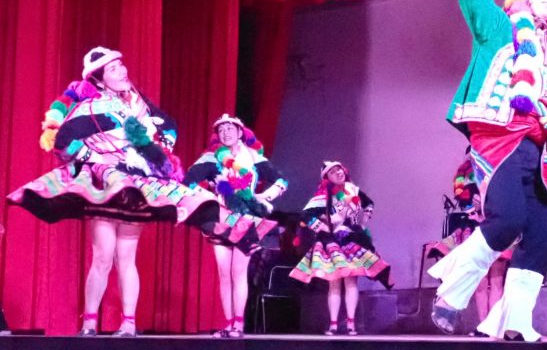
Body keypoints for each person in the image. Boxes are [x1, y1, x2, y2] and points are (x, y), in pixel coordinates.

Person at [427, 0, 547, 341]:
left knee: (545, 234)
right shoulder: (499, 27)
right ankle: (451, 295)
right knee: (507, 219)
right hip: (498, 137)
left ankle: (513, 324)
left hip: (540, 145)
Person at [7, 47, 227, 337]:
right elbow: (62, 141)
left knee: (126, 256)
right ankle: (89, 323)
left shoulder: (139, 105)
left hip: (135, 183)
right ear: (99, 80)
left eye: (121, 65)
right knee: (103, 256)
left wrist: (158, 149)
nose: (122, 71)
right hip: (107, 184)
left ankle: (128, 323)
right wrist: (98, 157)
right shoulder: (93, 107)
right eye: (112, 69)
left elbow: (169, 128)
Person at [185, 114, 288, 338]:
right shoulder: (212, 158)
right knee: (224, 273)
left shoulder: (253, 157)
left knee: (238, 271)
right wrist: (207, 195)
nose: (226, 133)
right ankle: (228, 323)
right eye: (221, 130)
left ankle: (239, 325)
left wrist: (262, 197)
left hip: (246, 217)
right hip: (220, 218)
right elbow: (188, 180)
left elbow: (281, 180)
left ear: (240, 132)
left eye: (230, 128)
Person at [290, 161, 392, 336]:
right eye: (332, 172)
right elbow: (306, 215)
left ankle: (351, 324)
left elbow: (369, 203)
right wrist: (321, 226)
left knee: (351, 281)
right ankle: (334, 324)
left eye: (339, 169)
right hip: (331, 241)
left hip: (351, 238)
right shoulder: (323, 196)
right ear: (326, 178)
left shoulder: (353, 190)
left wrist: (364, 221)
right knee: (334, 283)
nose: (338, 173)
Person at [426, 157, 510, 336]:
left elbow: (509, 202)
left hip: (497, 225)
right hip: (475, 228)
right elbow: (462, 198)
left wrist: (488, 206)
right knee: (479, 282)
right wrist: (476, 208)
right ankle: (483, 326)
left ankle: (493, 326)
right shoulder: (465, 174)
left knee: (496, 280)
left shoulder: (501, 168)